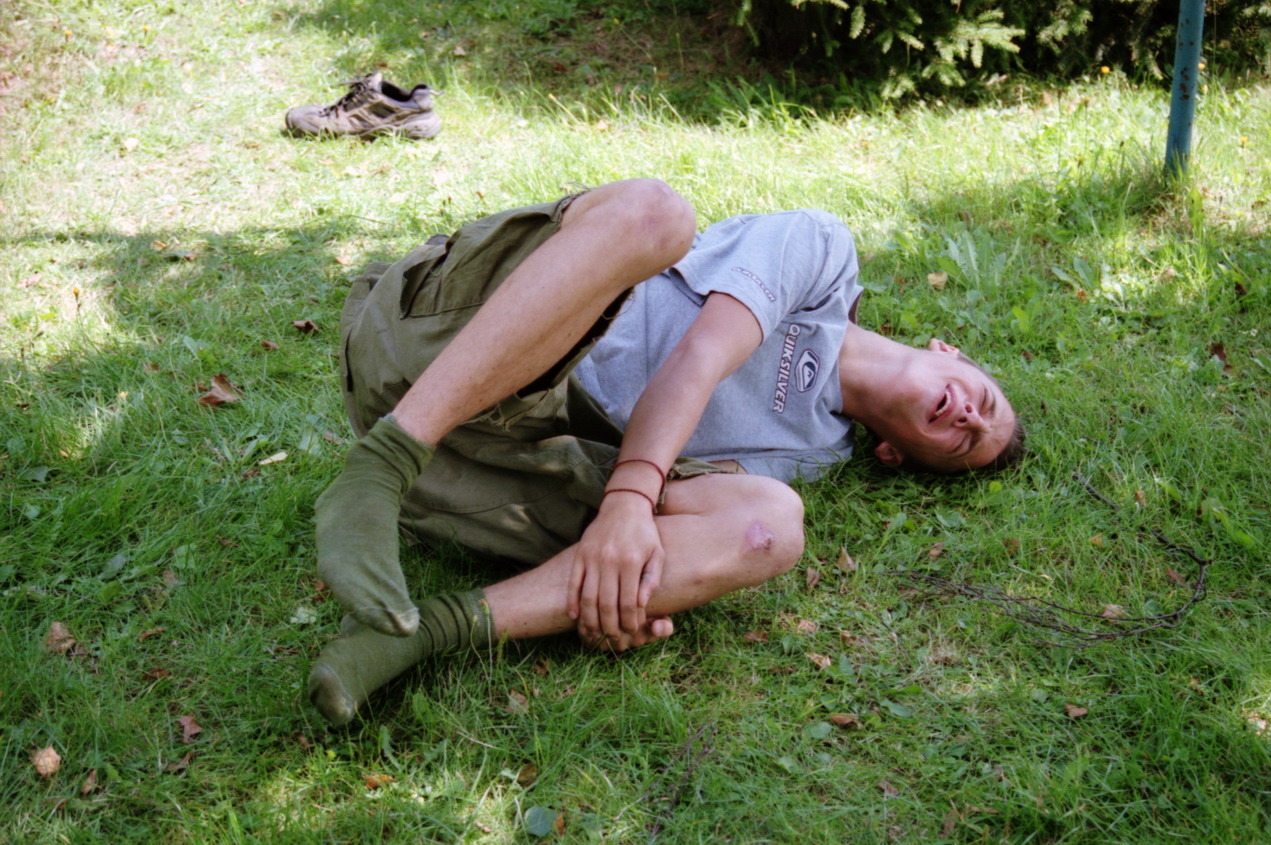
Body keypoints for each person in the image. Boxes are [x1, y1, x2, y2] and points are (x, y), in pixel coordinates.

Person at [308, 179, 1021, 726]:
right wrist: (627, 501)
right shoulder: (822, 255)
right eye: (982, 402)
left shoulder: (815, 453)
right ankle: (381, 466)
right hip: (434, 341)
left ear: (895, 454)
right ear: (949, 352)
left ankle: (425, 632)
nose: (966, 417)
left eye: (962, 442)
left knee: (770, 526)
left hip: (476, 462)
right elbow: (699, 357)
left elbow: (678, 516)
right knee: (657, 215)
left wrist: (631, 585)